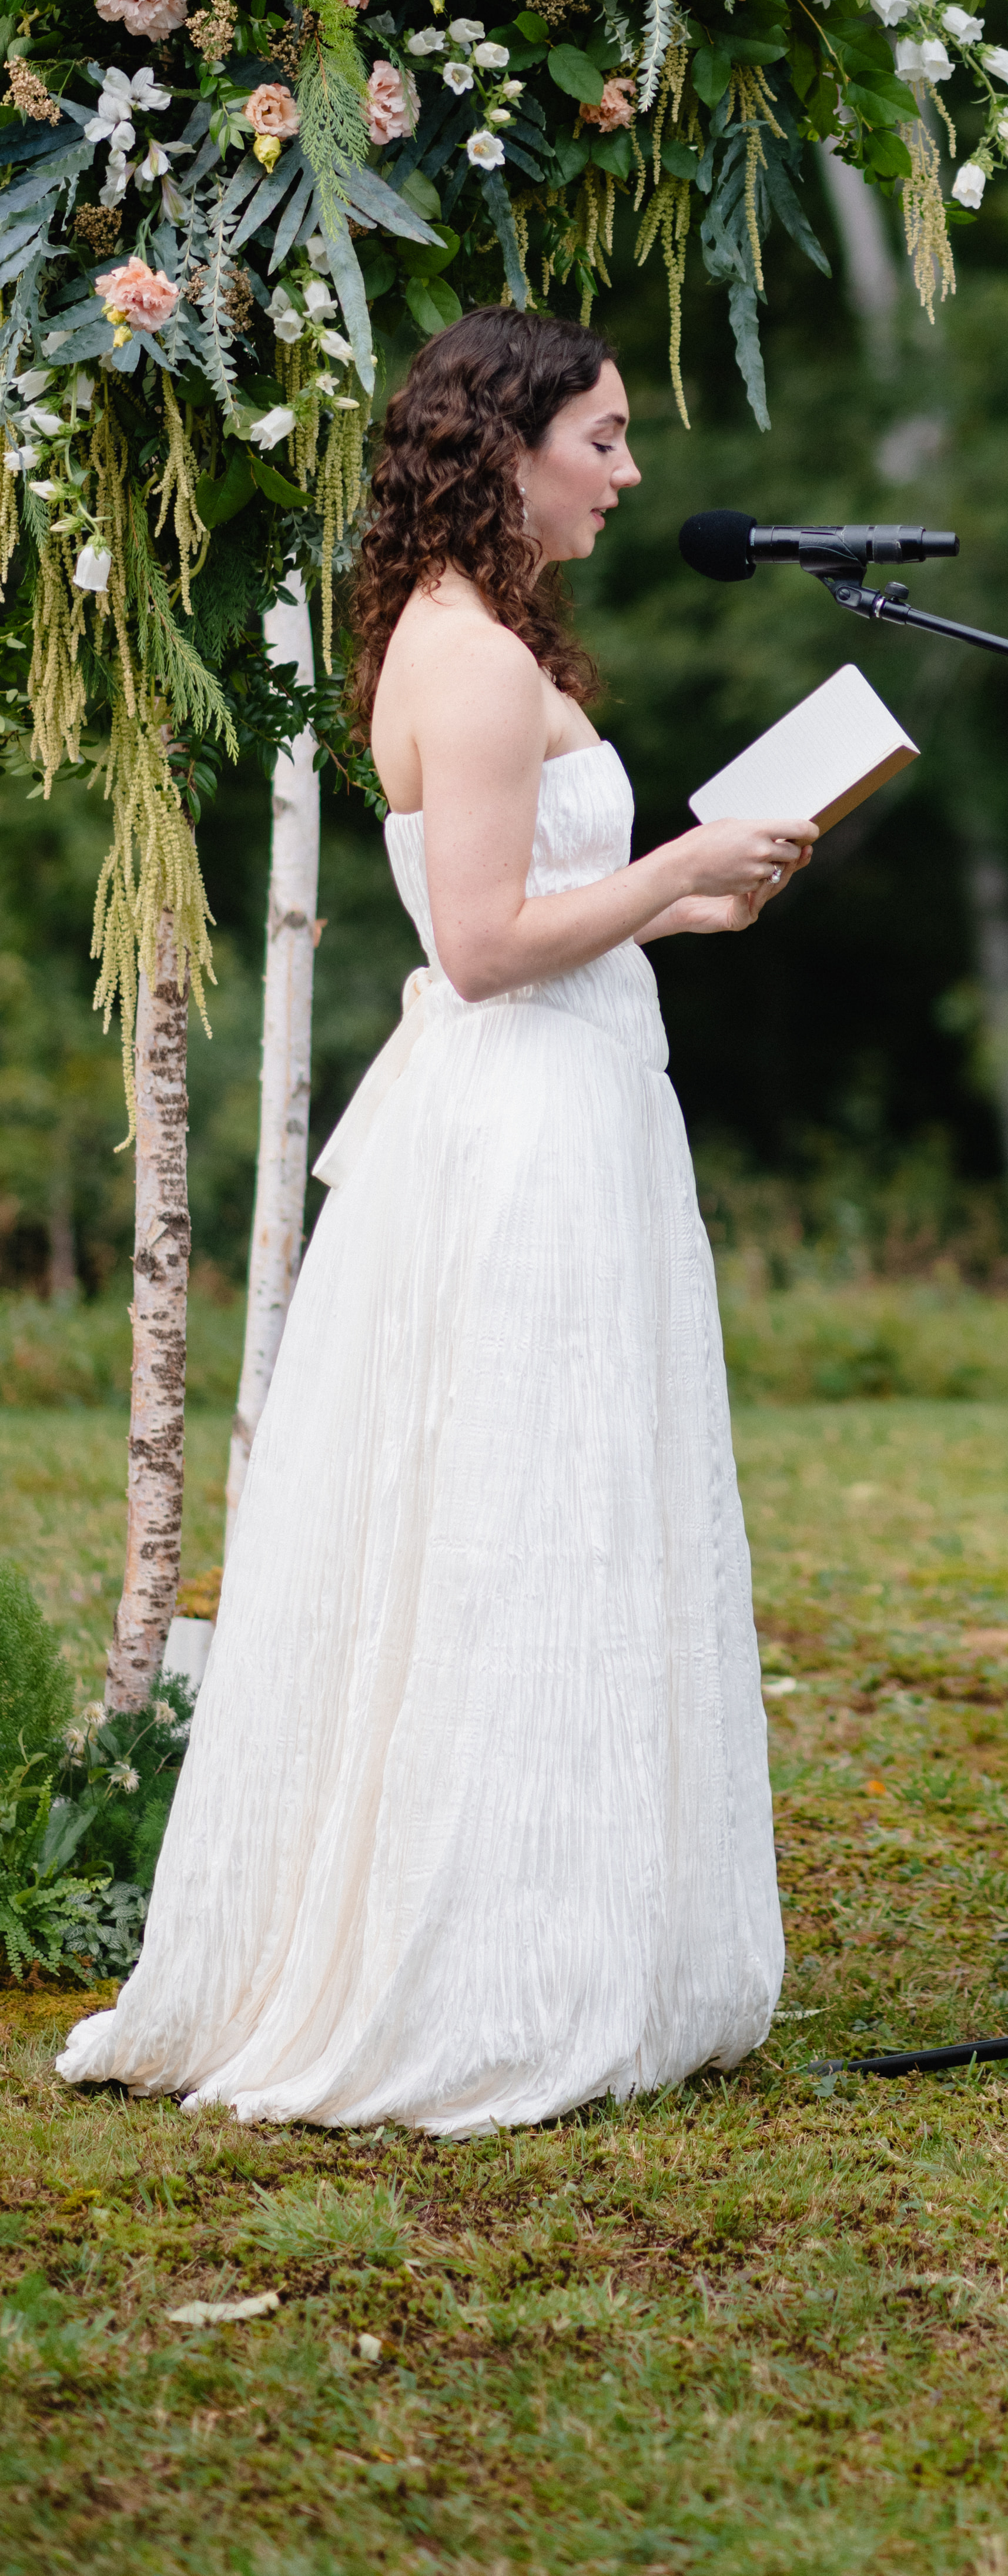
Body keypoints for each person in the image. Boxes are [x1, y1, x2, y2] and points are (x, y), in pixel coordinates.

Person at [60, 310, 816, 2132]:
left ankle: (572, 1914)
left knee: (553, 1501)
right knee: (520, 1517)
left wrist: (678, 910)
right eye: (607, 440)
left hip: (564, 1094)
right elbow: (477, 951)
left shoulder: (473, 639)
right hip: (524, 1122)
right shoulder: (470, 664)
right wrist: (678, 867)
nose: (632, 475)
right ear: (512, 448)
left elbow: (531, 908)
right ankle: (489, 1958)